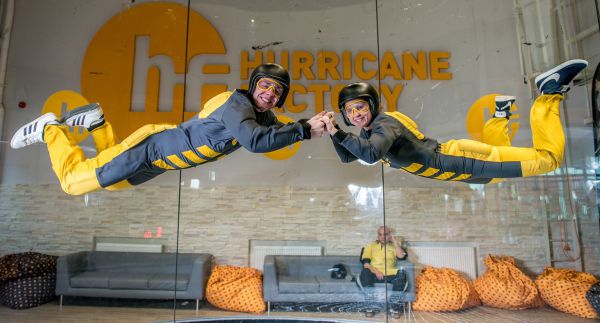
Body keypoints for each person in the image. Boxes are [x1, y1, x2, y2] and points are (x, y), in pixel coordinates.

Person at [11, 63, 327, 195]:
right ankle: (51, 127)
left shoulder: (262, 115)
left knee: (110, 182)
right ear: (254, 84)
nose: (270, 93)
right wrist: (302, 128)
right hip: (152, 148)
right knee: (72, 183)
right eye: (266, 85)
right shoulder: (237, 105)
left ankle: (97, 122)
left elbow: (281, 133)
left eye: (276, 91)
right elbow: (256, 142)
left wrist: (314, 127)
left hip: (158, 163)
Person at [322, 59, 588, 184]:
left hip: (460, 160)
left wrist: (337, 130)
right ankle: (501, 113)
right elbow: (348, 157)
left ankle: (549, 93)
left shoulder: (383, 124)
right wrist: (332, 131)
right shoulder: (368, 134)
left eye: (360, 106)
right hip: (458, 171)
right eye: (350, 111)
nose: (356, 114)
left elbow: (369, 155)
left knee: (547, 160)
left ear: (371, 105)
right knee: (495, 178)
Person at [358, 225, 408, 319]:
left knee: (402, 273)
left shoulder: (394, 246)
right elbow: (366, 264)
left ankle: (394, 307)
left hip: (390, 273)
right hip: (374, 273)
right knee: (365, 271)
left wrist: (394, 241)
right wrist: (376, 271)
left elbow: (401, 256)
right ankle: (370, 307)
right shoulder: (370, 246)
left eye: (385, 234)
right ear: (377, 236)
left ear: (389, 235)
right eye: (380, 234)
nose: (383, 237)